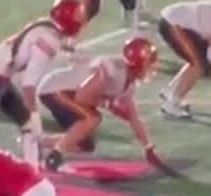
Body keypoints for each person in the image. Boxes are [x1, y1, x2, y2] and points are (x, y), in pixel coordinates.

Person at [0, 0, 87, 161]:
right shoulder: (49, 40)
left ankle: (31, 169)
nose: (81, 20)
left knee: (27, 126)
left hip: (1, 78)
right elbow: (29, 85)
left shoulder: (46, 26)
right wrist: (35, 113)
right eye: (77, 16)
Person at [37, 37, 165, 170]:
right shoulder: (113, 71)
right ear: (138, 64)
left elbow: (133, 117)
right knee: (92, 118)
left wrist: (148, 147)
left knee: (84, 145)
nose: (152, 66)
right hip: (56, 89)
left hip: (66, 92)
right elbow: (82, 96)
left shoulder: (128, 80)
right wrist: (108, 104)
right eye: (149, 62)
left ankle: (38, 143)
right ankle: (53, 158)